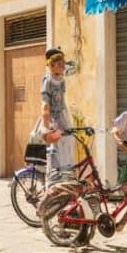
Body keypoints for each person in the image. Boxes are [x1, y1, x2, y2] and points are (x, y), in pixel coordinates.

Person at [38, 47, 75, 181]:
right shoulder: (47, 81)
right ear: (52, 66)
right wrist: (48, 125)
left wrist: (65, 118)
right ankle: (53, 176)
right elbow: (45, 104)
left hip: (61, 115)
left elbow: (62, 101)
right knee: (54, 148)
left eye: (63, 64)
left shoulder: (61, 80)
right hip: (51, 117)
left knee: (68, 141)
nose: (63, 66)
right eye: (60, 64)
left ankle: (65, 174)